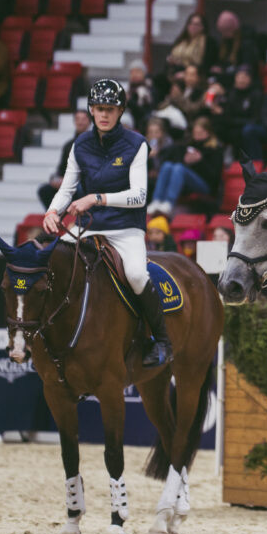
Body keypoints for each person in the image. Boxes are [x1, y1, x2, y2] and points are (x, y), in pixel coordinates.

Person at [43, 79, 172, 367]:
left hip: (126, 229)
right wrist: (52, 212)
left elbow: (139, 196)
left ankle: (161, 341)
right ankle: (42, 334)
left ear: (121, 111)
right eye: (99, 108)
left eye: (110, 109)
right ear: (90, 109)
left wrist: (96, 198)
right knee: (49, 262)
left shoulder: (137, 144)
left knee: (138, 275)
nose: (104, 114)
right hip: (88, 227)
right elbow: (66, 188)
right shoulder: (80, 144)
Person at [147, 116, 224, 217]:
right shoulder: (189, 144)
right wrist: (186, 161)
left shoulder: (215, 149)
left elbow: (214, 177)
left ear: (208, 133)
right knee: (167, 165)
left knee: (179, 168)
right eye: (195, 133)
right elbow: (176, 161)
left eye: (200, 133)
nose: (197, 137)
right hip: (187, 182)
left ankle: (169, 202)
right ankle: (157, 200)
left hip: (206, 185)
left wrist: (200, 161)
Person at [38, 110, 91, 209]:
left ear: (89, 122)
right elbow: (61, 168)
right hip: (68, 181)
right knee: (44, 190)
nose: (80, 122)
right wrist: (56, 179)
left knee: (80, 190)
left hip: (84, 183)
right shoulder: (68, 145)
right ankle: (55, 218)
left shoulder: (95, 143)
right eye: (77, 119)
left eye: (83, 119)